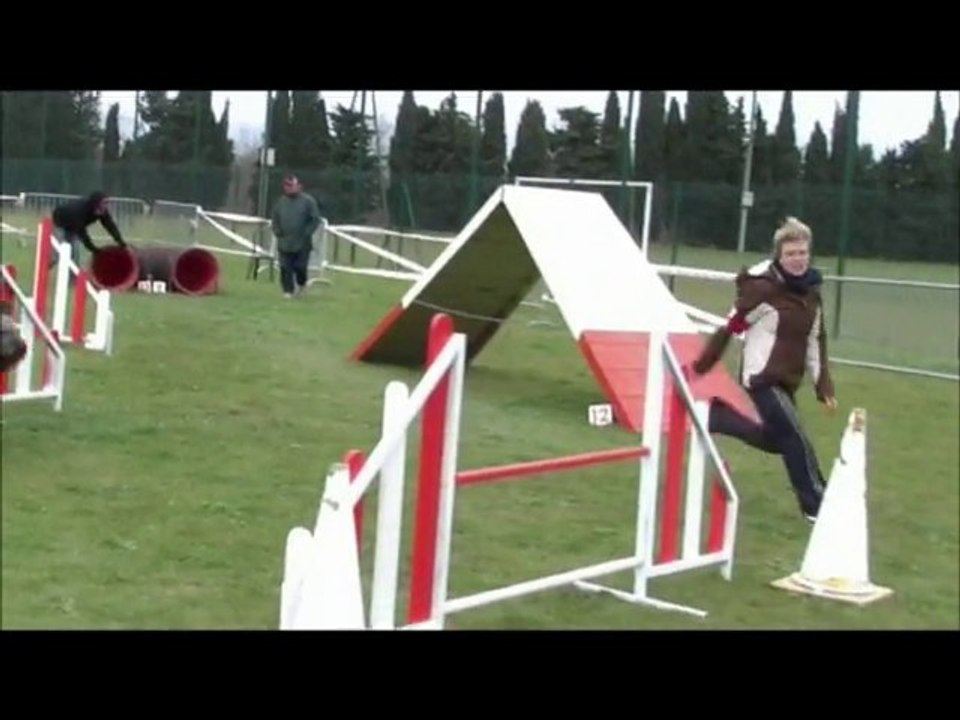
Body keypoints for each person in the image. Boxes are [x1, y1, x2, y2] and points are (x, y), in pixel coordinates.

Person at [687, 216, 838, 523]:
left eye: (802, 252)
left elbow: (815, 341)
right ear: (779, 256)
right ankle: (815, 503)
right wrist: (704, 364)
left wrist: (823, 386)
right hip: (762, 378)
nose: (798, 259)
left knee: (778, 439)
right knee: (795, 437)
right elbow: (730, 327)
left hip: (788, 381)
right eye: (791, 253)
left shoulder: (812, 296)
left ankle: (719, 417)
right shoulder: (763, 291)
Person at [270, 175, 322, 298]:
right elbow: (275, 218)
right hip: (284, 242)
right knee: (285, 267)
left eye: (291, 185)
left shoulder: (308, 201)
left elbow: (315, 219)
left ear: (298, 186)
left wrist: (307, 232)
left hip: (302, 243)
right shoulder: (280, 202)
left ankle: (301, 285)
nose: (288, 188)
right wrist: (277, 231)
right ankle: (287, 291)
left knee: (300, 267)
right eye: (286, 186)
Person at [51, 191, 128, 267]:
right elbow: (82, 233)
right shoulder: (80, 210)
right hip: (60, 222)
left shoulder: (102, 210)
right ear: (96, 203)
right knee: (58, 253)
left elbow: (110, 226)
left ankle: (72, 274)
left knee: (72, 253)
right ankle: (48, 263)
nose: (107, 206)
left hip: (74, 226)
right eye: (104, 203)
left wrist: (121, 243)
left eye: (107, 203)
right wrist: (94, 249)